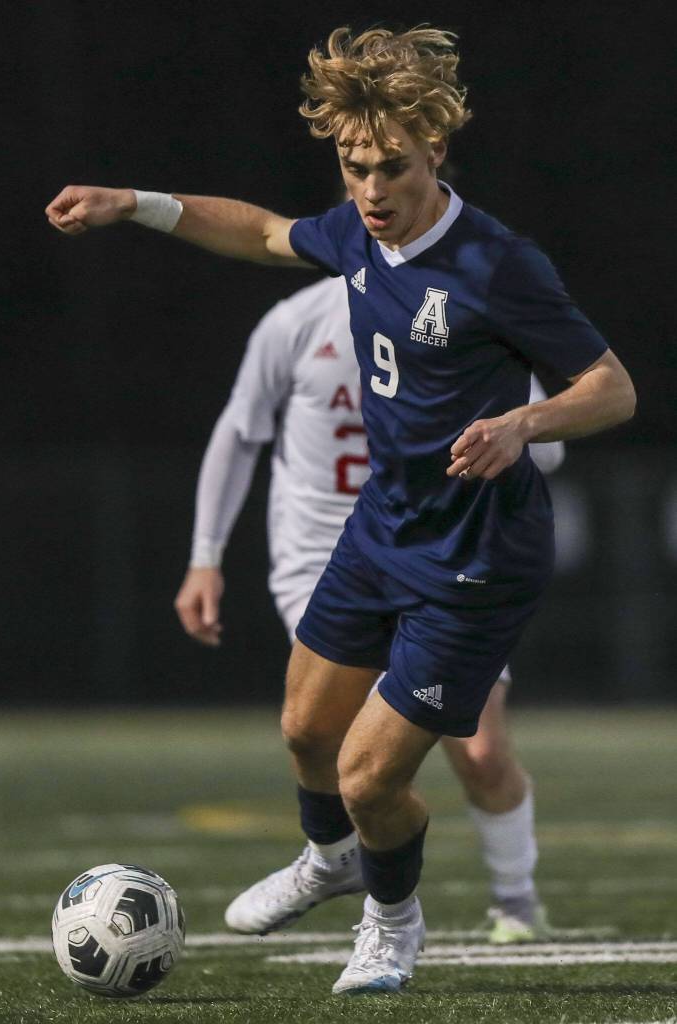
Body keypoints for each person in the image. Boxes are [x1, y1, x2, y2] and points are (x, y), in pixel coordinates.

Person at [46, 25, 635, 995]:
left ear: (434, 151)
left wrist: (522, 422)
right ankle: (327, 861)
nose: (369, 188)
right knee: (304, 734)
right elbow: (264, 232)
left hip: (474, 556)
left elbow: (611, 389)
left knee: (368, 779)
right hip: (382, 527)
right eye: (354, 165)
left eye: (391, 167)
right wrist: (132, 204)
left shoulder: (495, 264)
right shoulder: (357, 235)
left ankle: (391, 923)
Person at [173, 271, 564, 945]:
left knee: (478, 751)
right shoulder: (295, 321)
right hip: (325, 563)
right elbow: (239, 432)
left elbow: (547, 443)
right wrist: (204, 554)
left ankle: (514, 900)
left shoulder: (457, 320)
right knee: (328, 742)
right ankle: (338, 868)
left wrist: (509, 431)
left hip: (438, 557)